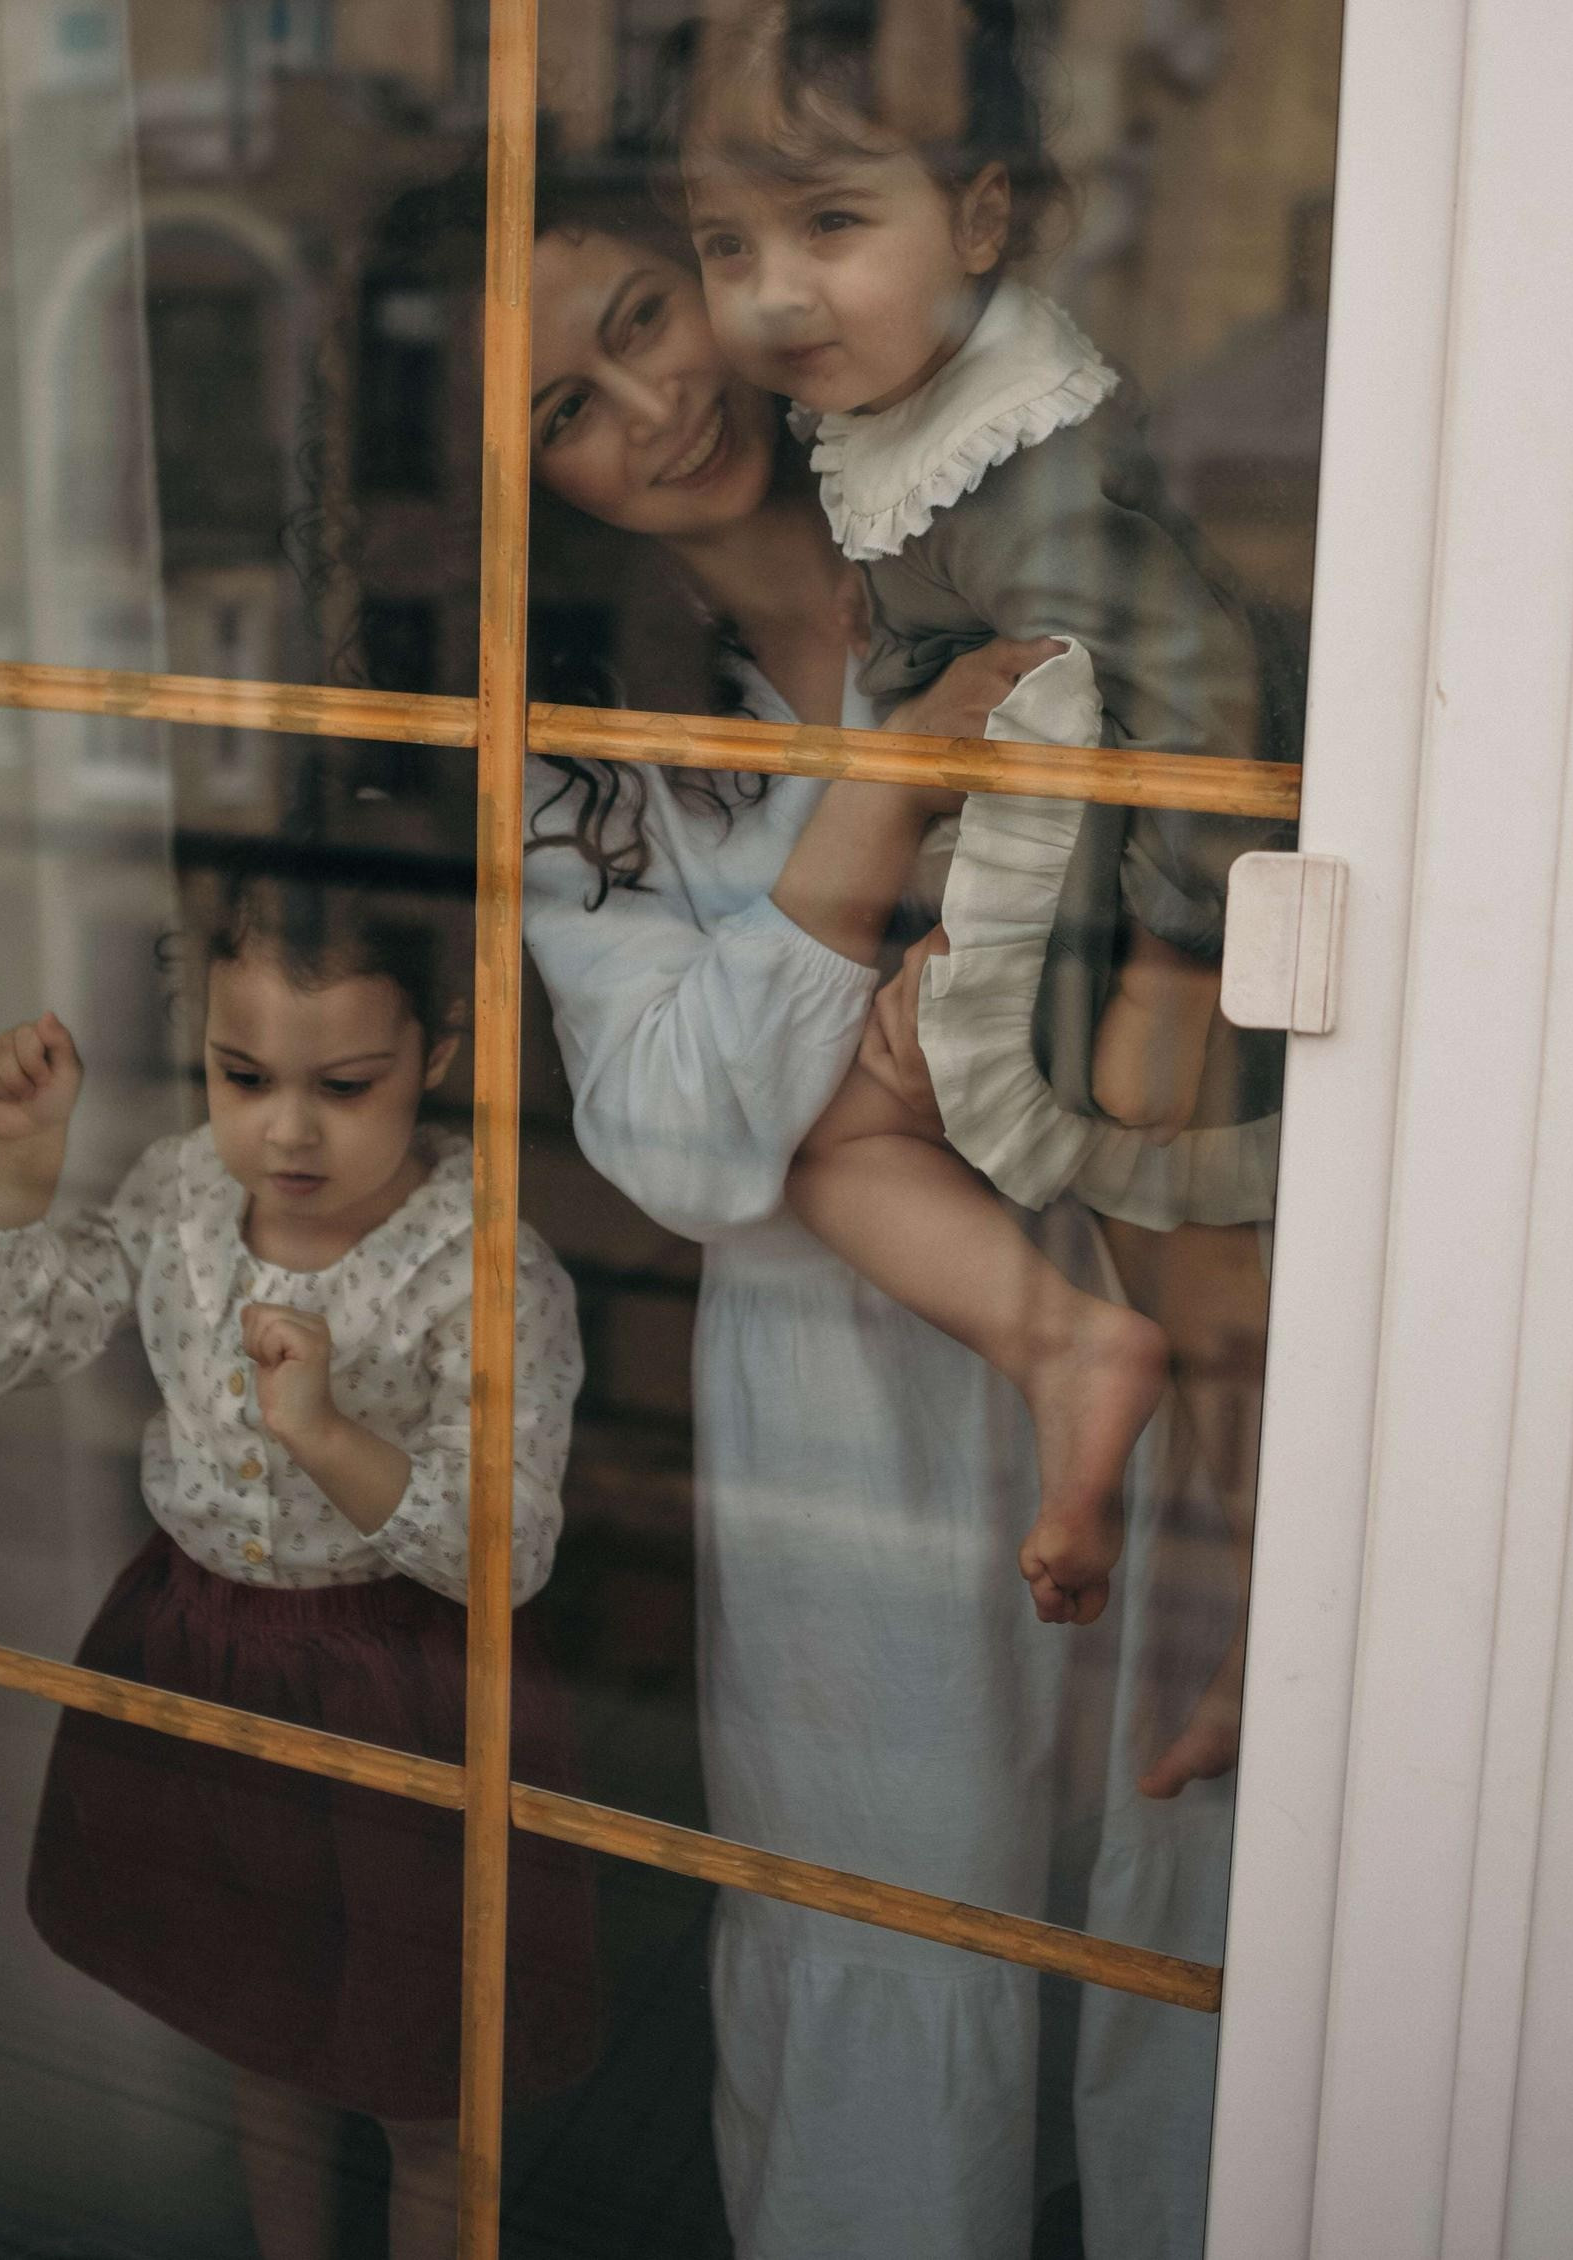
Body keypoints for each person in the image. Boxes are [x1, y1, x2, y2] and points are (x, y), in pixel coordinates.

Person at [522, 199, 1241, 2260]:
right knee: (894, 2004)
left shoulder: (987, 509)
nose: (657, 406)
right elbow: (671, 1135)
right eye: (574, 408)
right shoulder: (591, 756)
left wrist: (865, 1016)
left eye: (648, 319)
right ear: (535, 486)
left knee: (1179, 1932)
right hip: (849, 1436)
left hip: (1149, 1304)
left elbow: (1206, 828)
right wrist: (861, 835)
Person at [668, 0, 1296, 1629]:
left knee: (1200, 1267)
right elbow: (943, 704)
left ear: (986, 219)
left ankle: (1253, 1614)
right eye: (729, 248)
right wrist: (937, 935)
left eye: (828, 226)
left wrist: (1174, 969)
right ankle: (1074, 1358)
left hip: (1154, 924)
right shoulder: (904, 425)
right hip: (1046, 901)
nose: (774, 295)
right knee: (850, 1141)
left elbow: (1210, 696)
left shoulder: (1031, 467)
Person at [0, 858, 590, 2260]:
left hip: (399, 1688)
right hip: (202, 1653)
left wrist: (325, 1433)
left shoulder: (487, 1266)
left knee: (429, 2094)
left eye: (346, 1085)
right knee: (267, 2046)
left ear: (441, 1052)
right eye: (243, 1077)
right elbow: (6, 1348)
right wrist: (22, 1156)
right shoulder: (182, 1192)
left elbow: (511, 1555)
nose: (287, 1131)